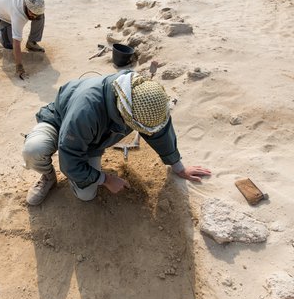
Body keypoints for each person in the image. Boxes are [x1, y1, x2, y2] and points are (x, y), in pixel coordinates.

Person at [22, 70, 211, 206]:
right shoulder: (86, 112)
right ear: (124, 114)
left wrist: (178, 165)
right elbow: (69, 160)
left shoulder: (141, 95)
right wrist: (106, 179)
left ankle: (86, 165)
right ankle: (47, 177)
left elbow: (159, 131)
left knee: (86, 195)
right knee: (34, 150)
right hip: (60, 120)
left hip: (92, 138)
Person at [0, 0, 47, 76]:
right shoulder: (17, 15)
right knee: (9, 44)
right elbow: (16, 43)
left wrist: (36, 14)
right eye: (32, 13)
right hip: (2, 12)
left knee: (40, 16)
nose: (34, 16)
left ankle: (32, 42)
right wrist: (19, 66)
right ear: (26, 7)